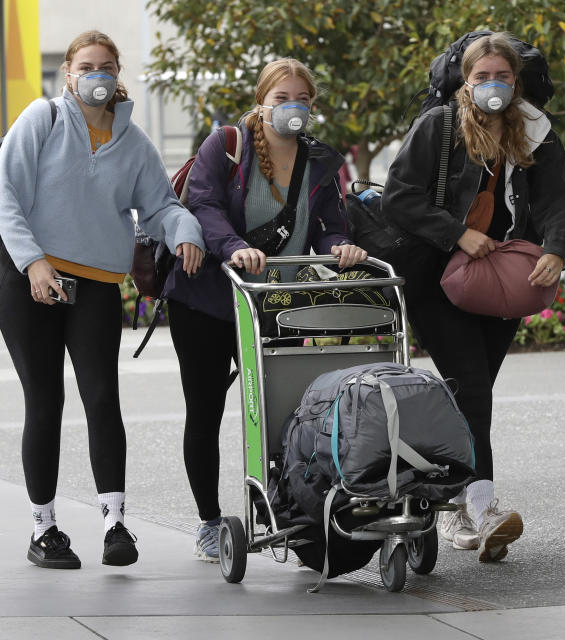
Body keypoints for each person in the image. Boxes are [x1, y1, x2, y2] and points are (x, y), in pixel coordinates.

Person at [0, 30, 204, 569]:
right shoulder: (43, 118)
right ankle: (44, 530)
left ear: (118, 72)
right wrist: (34, 262)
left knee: (102, 399)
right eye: (87, 66)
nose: (98, 75)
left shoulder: (133, 143)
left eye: (107, 66)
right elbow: (3, 195)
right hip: (29, 282)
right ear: (68, 72)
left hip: (97, 288)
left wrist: (185, 230)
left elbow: (160, 205)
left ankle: (115, 524)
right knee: (46, 403)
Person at [381, 33, 565, 562]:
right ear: (464, 80)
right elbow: (399, 197)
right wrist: (455, 233)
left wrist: (557, 247)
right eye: (482, 76)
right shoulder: (439, 125)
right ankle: (479, 508)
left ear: (518, 81)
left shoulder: (534, 128)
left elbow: (560, 193)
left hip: (501, 278)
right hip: (437, 276)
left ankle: (443, 492)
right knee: (471, 387)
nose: (494, 86)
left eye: (503, 77)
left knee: (471, 392)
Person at [163, 58, 368, 561]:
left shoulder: (322, 160)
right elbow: (203, 205)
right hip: (209, 298)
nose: (291, 108)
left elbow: (329, 225)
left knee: (291, 413)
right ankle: (210, 522)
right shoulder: (227, 146)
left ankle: (293, 513)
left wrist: (342, 247)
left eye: (301, 99)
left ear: (312, 107)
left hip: (277, 302)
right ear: (262, 102)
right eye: (281, 99)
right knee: (206, 409)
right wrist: (233, 245)